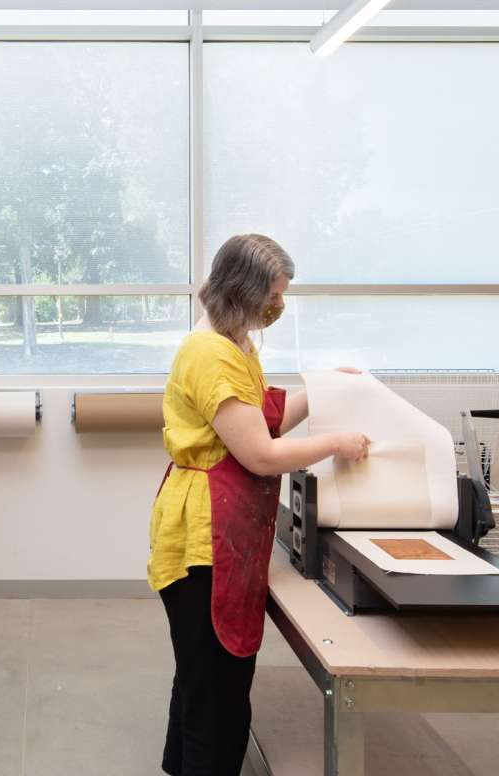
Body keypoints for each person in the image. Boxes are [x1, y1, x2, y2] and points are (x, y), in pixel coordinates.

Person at [148, 234, 370, 776]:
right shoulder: (212, 356)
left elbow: (264, 421)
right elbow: (262, 454)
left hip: (222, 529)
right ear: (243, 291)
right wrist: (336, 442)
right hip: (204, 536)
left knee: (203, 674)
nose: (278, 307)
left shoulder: (236, 344)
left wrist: (321, 390)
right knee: (217, 686)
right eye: (273, 295)